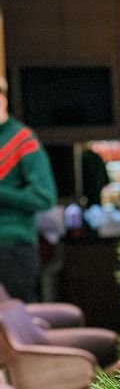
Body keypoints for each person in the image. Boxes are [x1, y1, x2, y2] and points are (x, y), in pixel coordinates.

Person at [0, 75, 57, 302]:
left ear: (2, 99)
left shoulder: (22, 139)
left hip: (13, 247)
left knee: (18, 327)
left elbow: (44, 197)